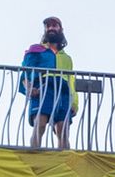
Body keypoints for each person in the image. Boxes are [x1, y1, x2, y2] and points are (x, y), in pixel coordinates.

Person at [20, 16, 78, 150]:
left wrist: (74, 102)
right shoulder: (36, 50)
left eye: (54, 25)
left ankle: (63, 160)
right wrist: (29, 87)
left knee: (63, 131)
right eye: (48, 26)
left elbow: (71, 81)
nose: (51, 28)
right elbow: (25, 71)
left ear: (61, 29)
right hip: (44, 87)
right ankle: (34, 154)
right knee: (40, 124)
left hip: (63, 91)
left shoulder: (67, 58)